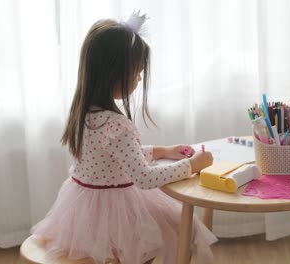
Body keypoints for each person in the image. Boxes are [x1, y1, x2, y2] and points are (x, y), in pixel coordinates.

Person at [31, 12, 217, 264]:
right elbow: (144, 177)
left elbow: (112, 157)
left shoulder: (83, 113)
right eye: (137, 72)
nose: (139, 78)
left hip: (84, 211)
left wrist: (162, 151)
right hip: (116, 212)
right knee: (177, 228)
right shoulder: (117, 124)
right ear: (115, 74)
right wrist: (191, 166)